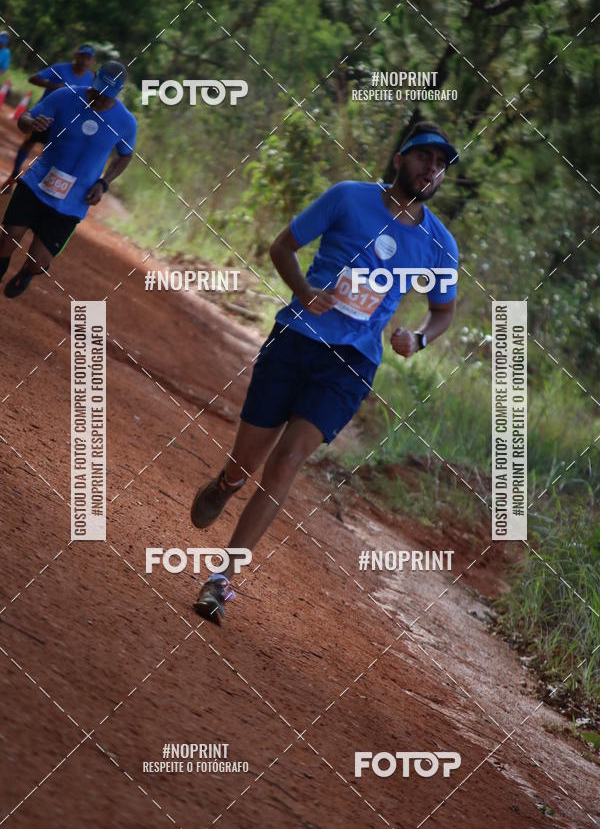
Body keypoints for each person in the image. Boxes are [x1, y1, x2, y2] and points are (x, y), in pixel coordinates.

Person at [190, 121, 460, 624]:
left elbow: (443, 310)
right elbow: (281, 248)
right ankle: (227, 482)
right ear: (400, 159)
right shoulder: (348, 198)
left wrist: (418, 338)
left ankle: (220, 580)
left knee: (288, 462)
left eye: (441, 163)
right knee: (248, 461)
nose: (432, 168)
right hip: (296, 340)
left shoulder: (439, 244)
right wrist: (304, 292)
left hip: (353, 362)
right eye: (424, 156)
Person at [0, 60, 136, 298]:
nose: (98, 97)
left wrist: (104, 183)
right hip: (36, 184)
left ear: (118, 92)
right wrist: (33, 123)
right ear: (94, 78)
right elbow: (26, 121)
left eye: (106, 96)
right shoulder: (65, 96)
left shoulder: (126, 122)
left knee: (38, 262)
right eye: (97, 90)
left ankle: (27, 273)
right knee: (6, 241)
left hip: (73, 201)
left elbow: (125, 156)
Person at [1, 44, 96, 191]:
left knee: (51, 154)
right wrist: (53, 86)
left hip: (65, 124)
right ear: (76, 55)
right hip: (43, 116)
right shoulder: (60, 69)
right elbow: (33, 79)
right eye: (82, 56)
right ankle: (13, 175)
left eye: (88, 58)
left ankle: (35, 185)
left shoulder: (91, 79)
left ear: (92, 61)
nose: (84, 60)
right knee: (28, 144)